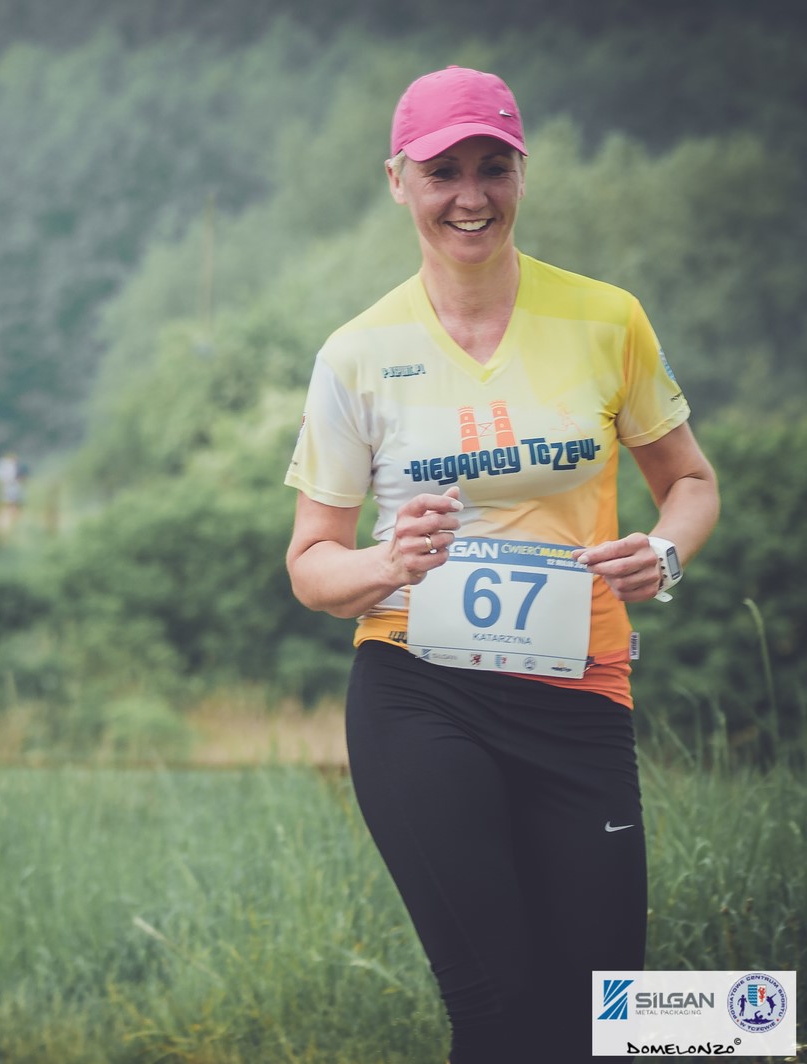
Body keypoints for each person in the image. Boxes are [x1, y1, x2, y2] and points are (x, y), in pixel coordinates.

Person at [283, 66, 718, 1063]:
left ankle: (754, 1030)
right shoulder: (355, 354)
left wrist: (663, 553)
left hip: (581, 691)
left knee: (608, 1014)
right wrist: (388, 560)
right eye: (443, 172)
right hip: (420, 690)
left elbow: (691, 483)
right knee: (497, 1004)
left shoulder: (607, 319)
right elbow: (311, 566)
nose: (470, 196)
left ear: (523, 172)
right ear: (397, 180)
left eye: (494, 167)